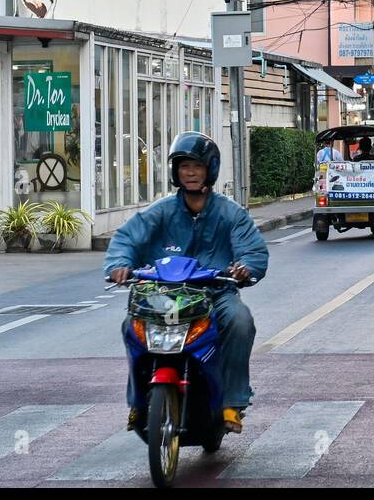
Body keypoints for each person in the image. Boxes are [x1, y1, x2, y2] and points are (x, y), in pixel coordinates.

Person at [104, 131, 269, 435]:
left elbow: (253, 251)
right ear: (175, 172)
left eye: (197, 167)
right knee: (131, 326)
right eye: (184, 167)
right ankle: (138, 402)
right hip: (162, 295)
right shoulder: (161, 211)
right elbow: (127, 237)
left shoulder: (231, 214)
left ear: (210, 170)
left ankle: (232, 401)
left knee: (241, 320)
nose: (190, 173)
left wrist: (245, 268)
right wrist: (119, 265)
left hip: (215, 294)